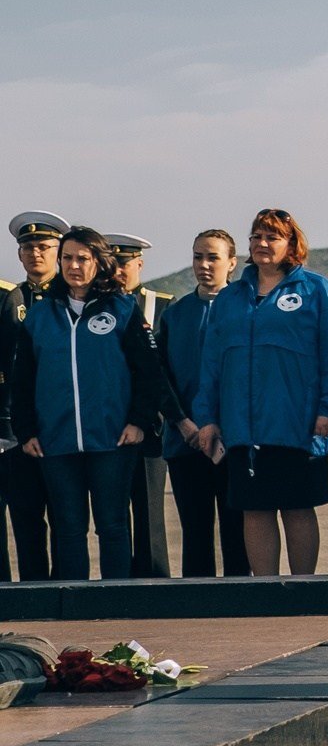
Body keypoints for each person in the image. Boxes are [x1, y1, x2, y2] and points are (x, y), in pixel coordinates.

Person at [192, 210, 328, 577]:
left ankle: (304, 587)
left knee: (297, 508)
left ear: (291, 244)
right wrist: (206, 418)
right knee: (255, 509)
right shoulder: (230, 299)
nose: (262, 244)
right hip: (244, 427)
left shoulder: (317, 291)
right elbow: (211, 366)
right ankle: (265, 590)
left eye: (272, 237)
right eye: (256, 237)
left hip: (298, 422)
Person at [5, 227, 169, 579]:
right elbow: (23, 382)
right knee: (68, 527)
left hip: (111, 439)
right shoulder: (40, 315)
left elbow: (148, 372)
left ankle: (115, 602)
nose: (73, 265)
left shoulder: (123, 309)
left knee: (112, 525)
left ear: (99, 262)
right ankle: (75, 606)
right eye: (67, 258)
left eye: (83, 258)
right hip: (56, 440)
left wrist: (139, 420)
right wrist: (27, 430)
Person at [162, 229, 247, 578]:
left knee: (236, 530)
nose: (204, 265)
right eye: (198, 257)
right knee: (195, 532)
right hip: (186, 440)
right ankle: (195, 606)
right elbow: (162, 377)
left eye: (213, 257)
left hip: (234, 440)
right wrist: (183, 423)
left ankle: (241, 600)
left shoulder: (246, 309)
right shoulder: (175, 313)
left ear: (232, 263)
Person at [92, 234, 174, 579]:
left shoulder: (162, 305)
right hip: (108, 425)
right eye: (113, 263)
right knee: (111, 515)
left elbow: (167, 370)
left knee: (149, 514)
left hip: (150, 426)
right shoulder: (96, 306)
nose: (119, 271)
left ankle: (154, 583)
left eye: (125, 263)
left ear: (139, 264)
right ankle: (120, 581)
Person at [2, 210, 68, 579]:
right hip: (20, 431)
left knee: (66, 519)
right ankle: (34, 592)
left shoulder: (70, 298)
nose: (35, 254)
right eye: (28, 247)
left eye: (43, 246)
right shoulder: (11, 300)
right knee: (27, 519)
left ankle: (68, 588)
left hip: (63, 428)